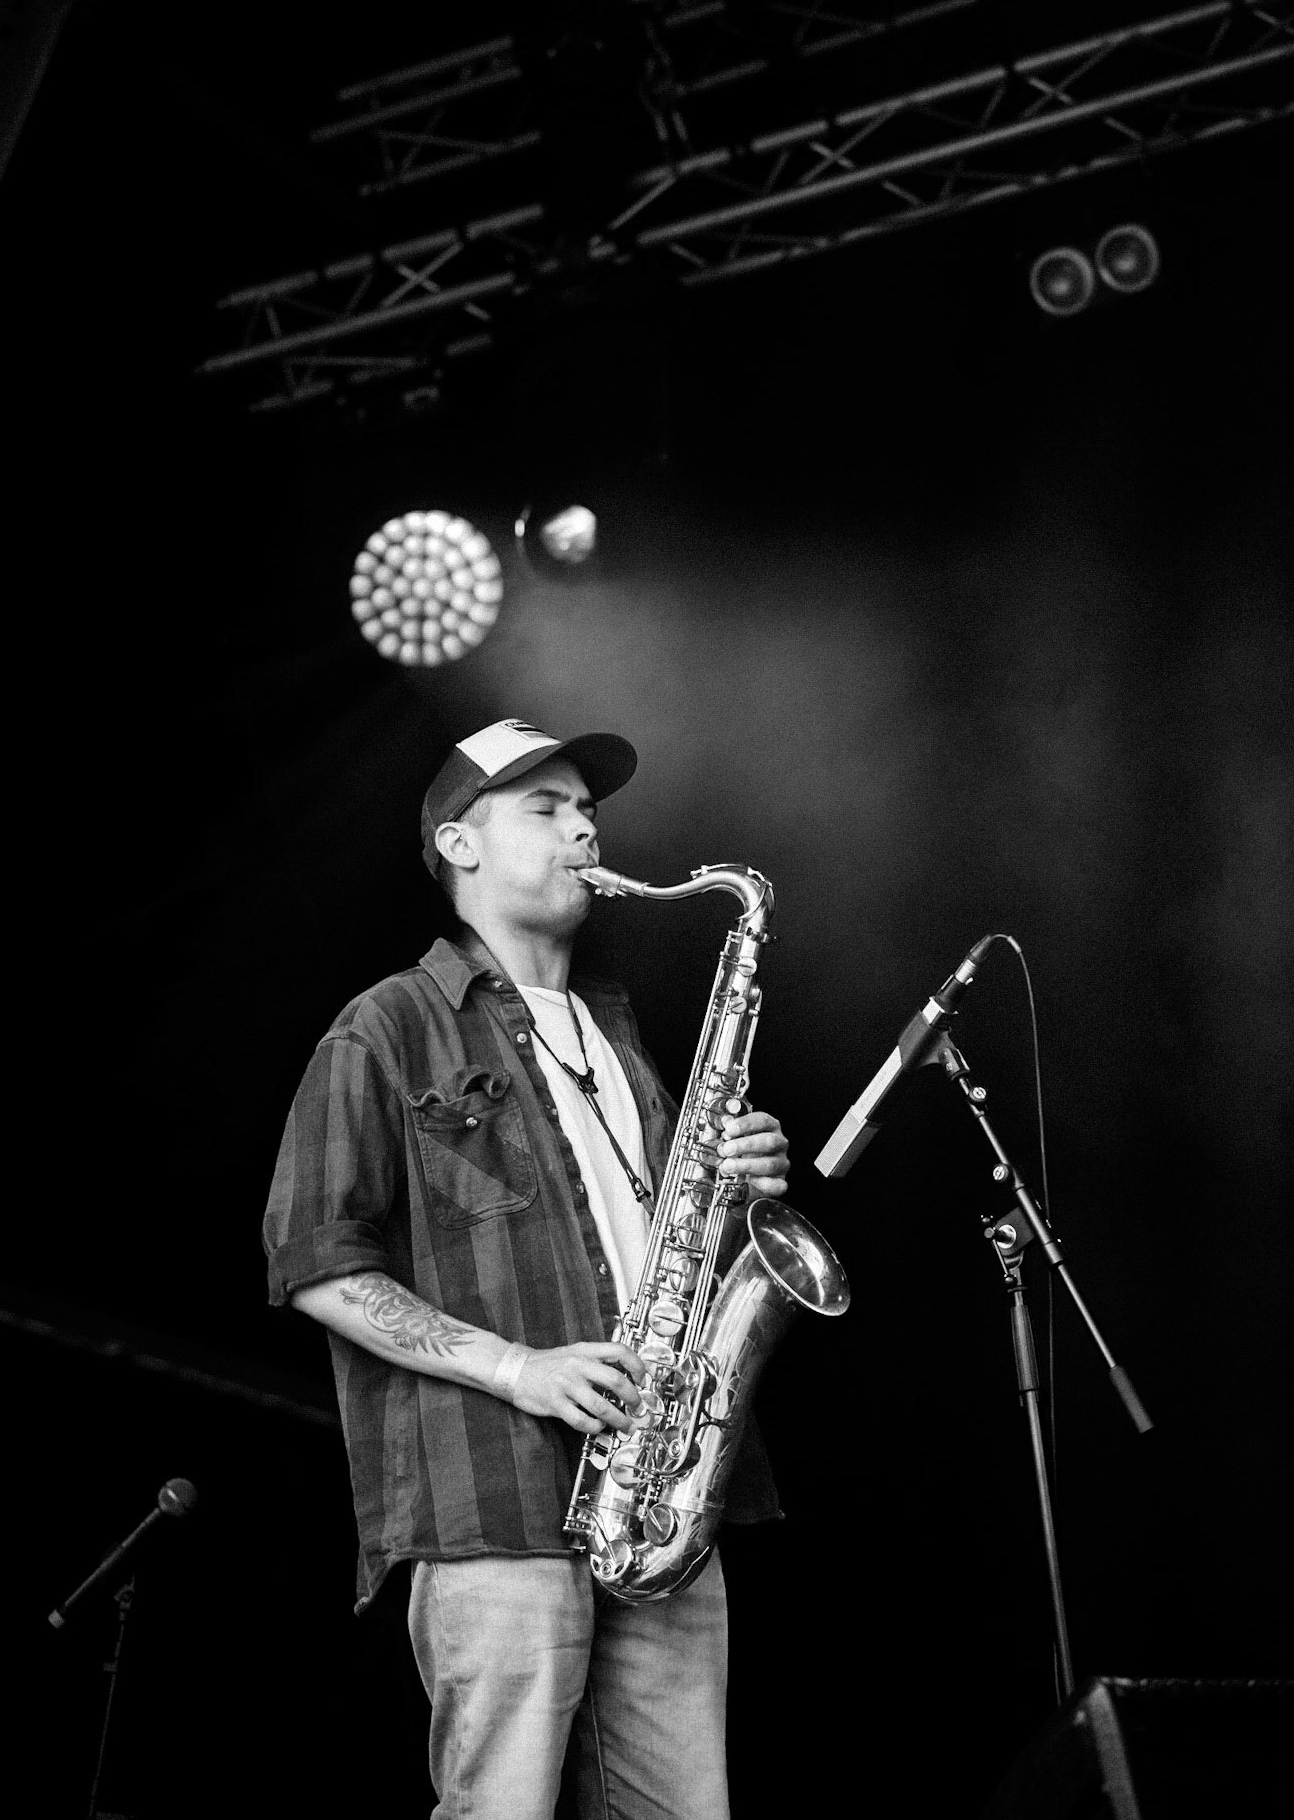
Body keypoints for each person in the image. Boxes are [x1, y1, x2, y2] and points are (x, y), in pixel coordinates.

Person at [262, 717, 791, 1820]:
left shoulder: (616, 1030)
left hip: (662, 1497)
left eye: (585, 807)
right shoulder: (386, 1028)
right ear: (459, 844)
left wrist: (738, 1185)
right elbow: (314, 1258)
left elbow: (662, 1249)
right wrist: (519, 1368)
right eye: (543, 807)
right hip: (493, 1497)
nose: (584, 824)